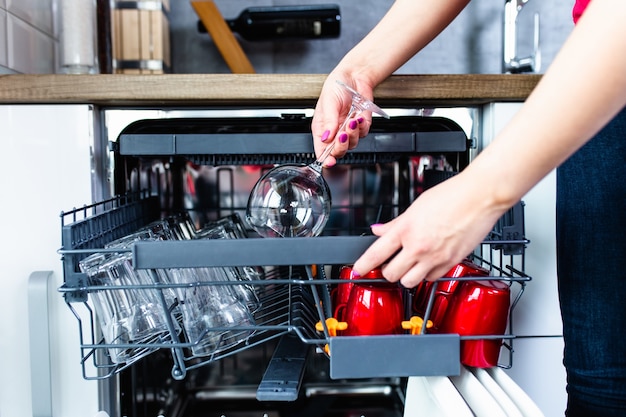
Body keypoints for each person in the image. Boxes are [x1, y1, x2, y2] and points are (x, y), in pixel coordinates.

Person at [310, 0, 626, 416]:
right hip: (600, 93)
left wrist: (477, 197)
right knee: (600, 387)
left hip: (607, 68)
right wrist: (357, 72)